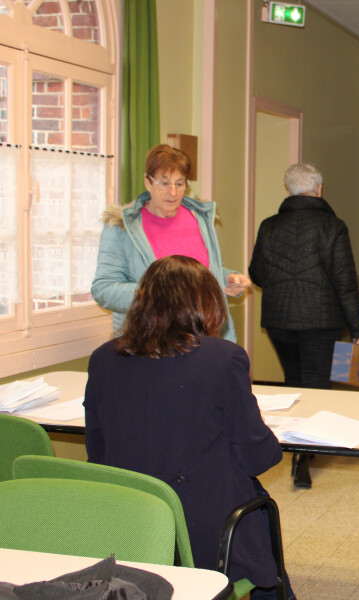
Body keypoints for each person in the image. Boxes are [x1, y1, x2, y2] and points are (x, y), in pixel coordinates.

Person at [84, 255, 295, 599]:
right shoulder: (224, 357)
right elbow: (257, 457)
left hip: (127, 520)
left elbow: (97, 453)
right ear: (208, 304)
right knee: (257, 504)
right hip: (201, 533)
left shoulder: (103, 358)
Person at [248, 163, 359, 489]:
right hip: (321, 322)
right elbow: (344, 282)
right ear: (319, 189)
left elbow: (257, 273)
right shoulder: (332, 226)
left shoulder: (269, 226)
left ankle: (293, 445)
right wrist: (358, 328)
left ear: (288, 190)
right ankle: (305, 456)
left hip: (279, 320)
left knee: (294, 384)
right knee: (317, 386)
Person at [91, 144, 251, 343]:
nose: (173, 192)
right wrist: (159, 294)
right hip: (149, 342)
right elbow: (104, 289)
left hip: (204, 339)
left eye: (180, 183)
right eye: (164, 183)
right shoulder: (122, 227)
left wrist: (228, 278)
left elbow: (202, 272)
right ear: (148, 182)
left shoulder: (200, 219)